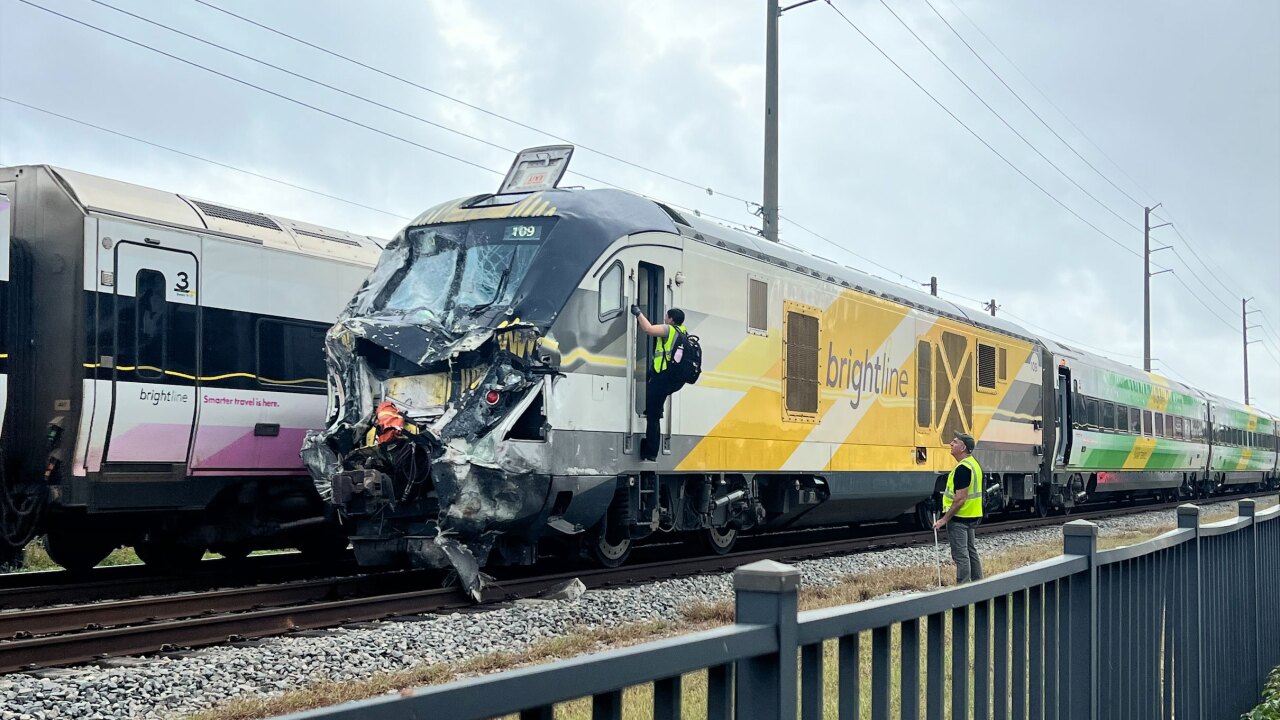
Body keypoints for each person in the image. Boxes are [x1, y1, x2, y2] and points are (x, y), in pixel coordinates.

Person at [631, 305, 687, 461]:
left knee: (653, 415)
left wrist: (638, 313)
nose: (664, 319)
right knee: (655, 409)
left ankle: (650, 452)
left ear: (671, 319)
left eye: (666, 317)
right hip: (673, 379)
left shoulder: (669, 330)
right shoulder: (683, 332)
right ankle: (652, 447)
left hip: (663, 377)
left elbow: (648, 329)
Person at [933, 431, 984, 583]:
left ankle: (963, 589)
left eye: (954, 442)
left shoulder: (963, 468)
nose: (951, 444)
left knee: (961, 555)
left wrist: (944, 519)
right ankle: (978, 585)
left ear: (962, 448)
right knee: (971, 551)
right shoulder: (973, 464)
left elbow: (960, 499)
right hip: (972, 515)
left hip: (960, 517)